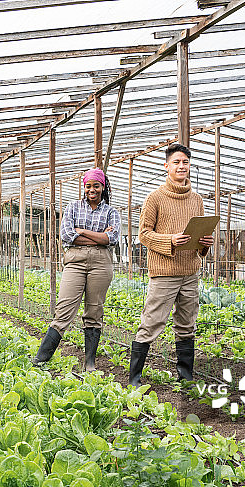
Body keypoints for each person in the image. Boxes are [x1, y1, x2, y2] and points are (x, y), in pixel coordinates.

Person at [129, 144, 213, 387]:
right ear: (166, 166)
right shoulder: (155, 198)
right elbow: (144, 234)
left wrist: (204, 243)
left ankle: (185, 376)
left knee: (187, 323)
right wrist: (170, 241)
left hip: (190, 272)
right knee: (152, 321)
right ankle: (134, 378)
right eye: (176, 162)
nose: (181, 166)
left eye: (185, 162)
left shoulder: (196, 200)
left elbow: (199, 239)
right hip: (164, 272)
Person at [33, 168, 120, 371]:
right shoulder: (72, 207)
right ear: (84, 187)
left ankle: (89, 364)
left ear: (102, 187)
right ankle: (41, 359)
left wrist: (81, 231)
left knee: (94, 311)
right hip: (75, 261)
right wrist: (98, 237)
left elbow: (112, 238)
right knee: (63, 309)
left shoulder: (111, 212)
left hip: (101, 263)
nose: (92, 189)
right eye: (88, 186)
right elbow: (66, 235)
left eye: (96, 186)